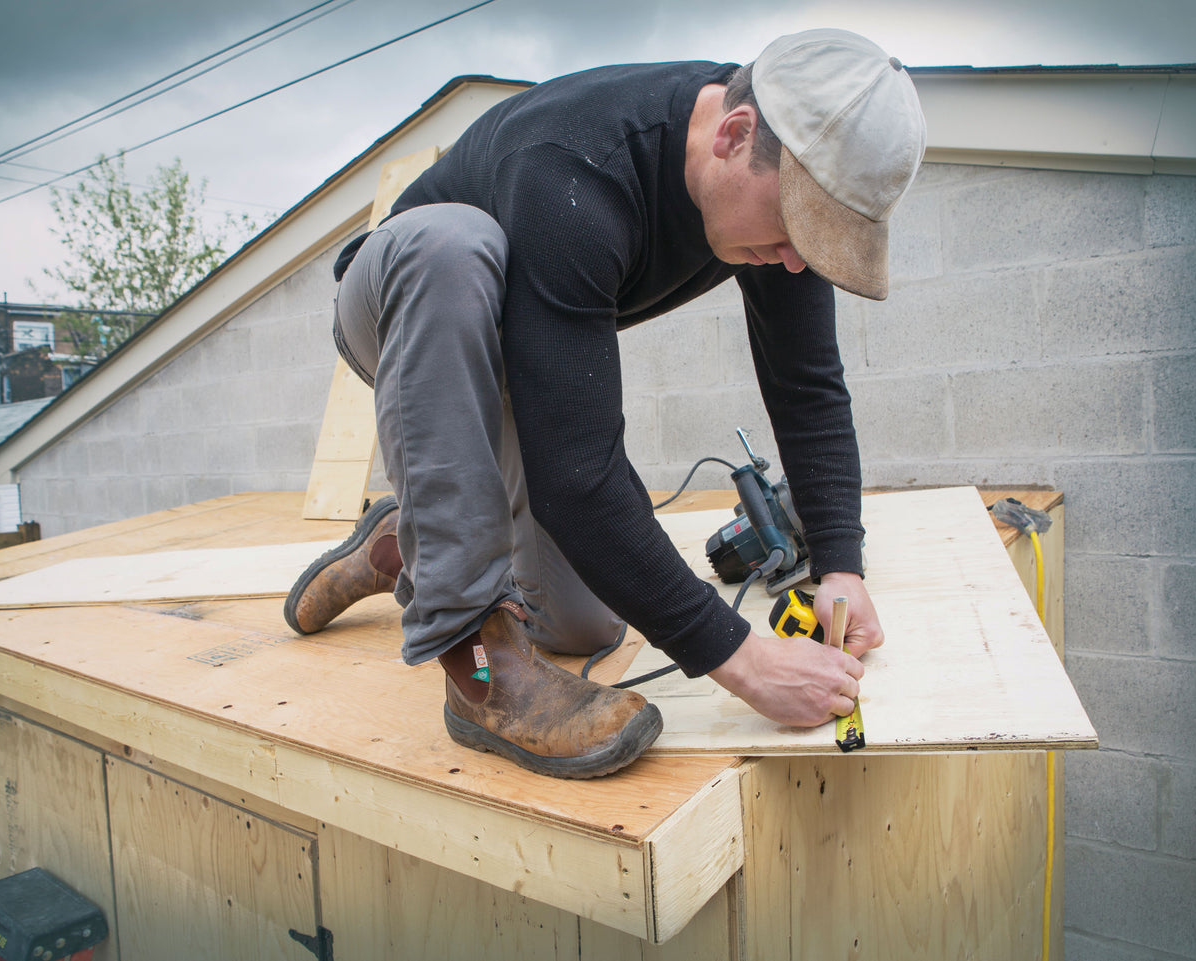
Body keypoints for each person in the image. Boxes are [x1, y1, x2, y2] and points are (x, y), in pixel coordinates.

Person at [285, 29, 925, 779]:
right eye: (794, 225)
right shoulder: (579, 166)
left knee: (582, 622)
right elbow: (578, 475)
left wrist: (841, 564)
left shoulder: (777, 196)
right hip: (404, 307)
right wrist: (742, 660)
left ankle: (404, 537)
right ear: (733, 134)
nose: (795, 258)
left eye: (815, 240)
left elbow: (807, 388)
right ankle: (473, 661)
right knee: (450, 245)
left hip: (520, 351)